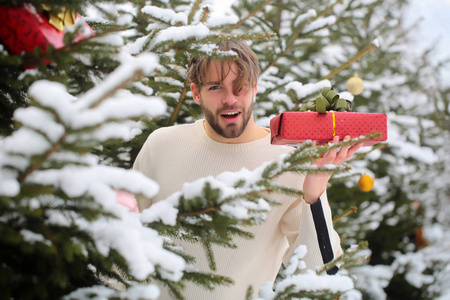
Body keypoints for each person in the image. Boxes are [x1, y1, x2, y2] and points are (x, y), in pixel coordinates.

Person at [133, 41, 362, 299]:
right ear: (196, 92)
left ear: (254, 87)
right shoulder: (161, 145)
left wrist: (315, 191)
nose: (230, 99)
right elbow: (121, 248)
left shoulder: (288, 163)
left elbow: (322, 274)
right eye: (216, 87)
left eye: (240, 87)